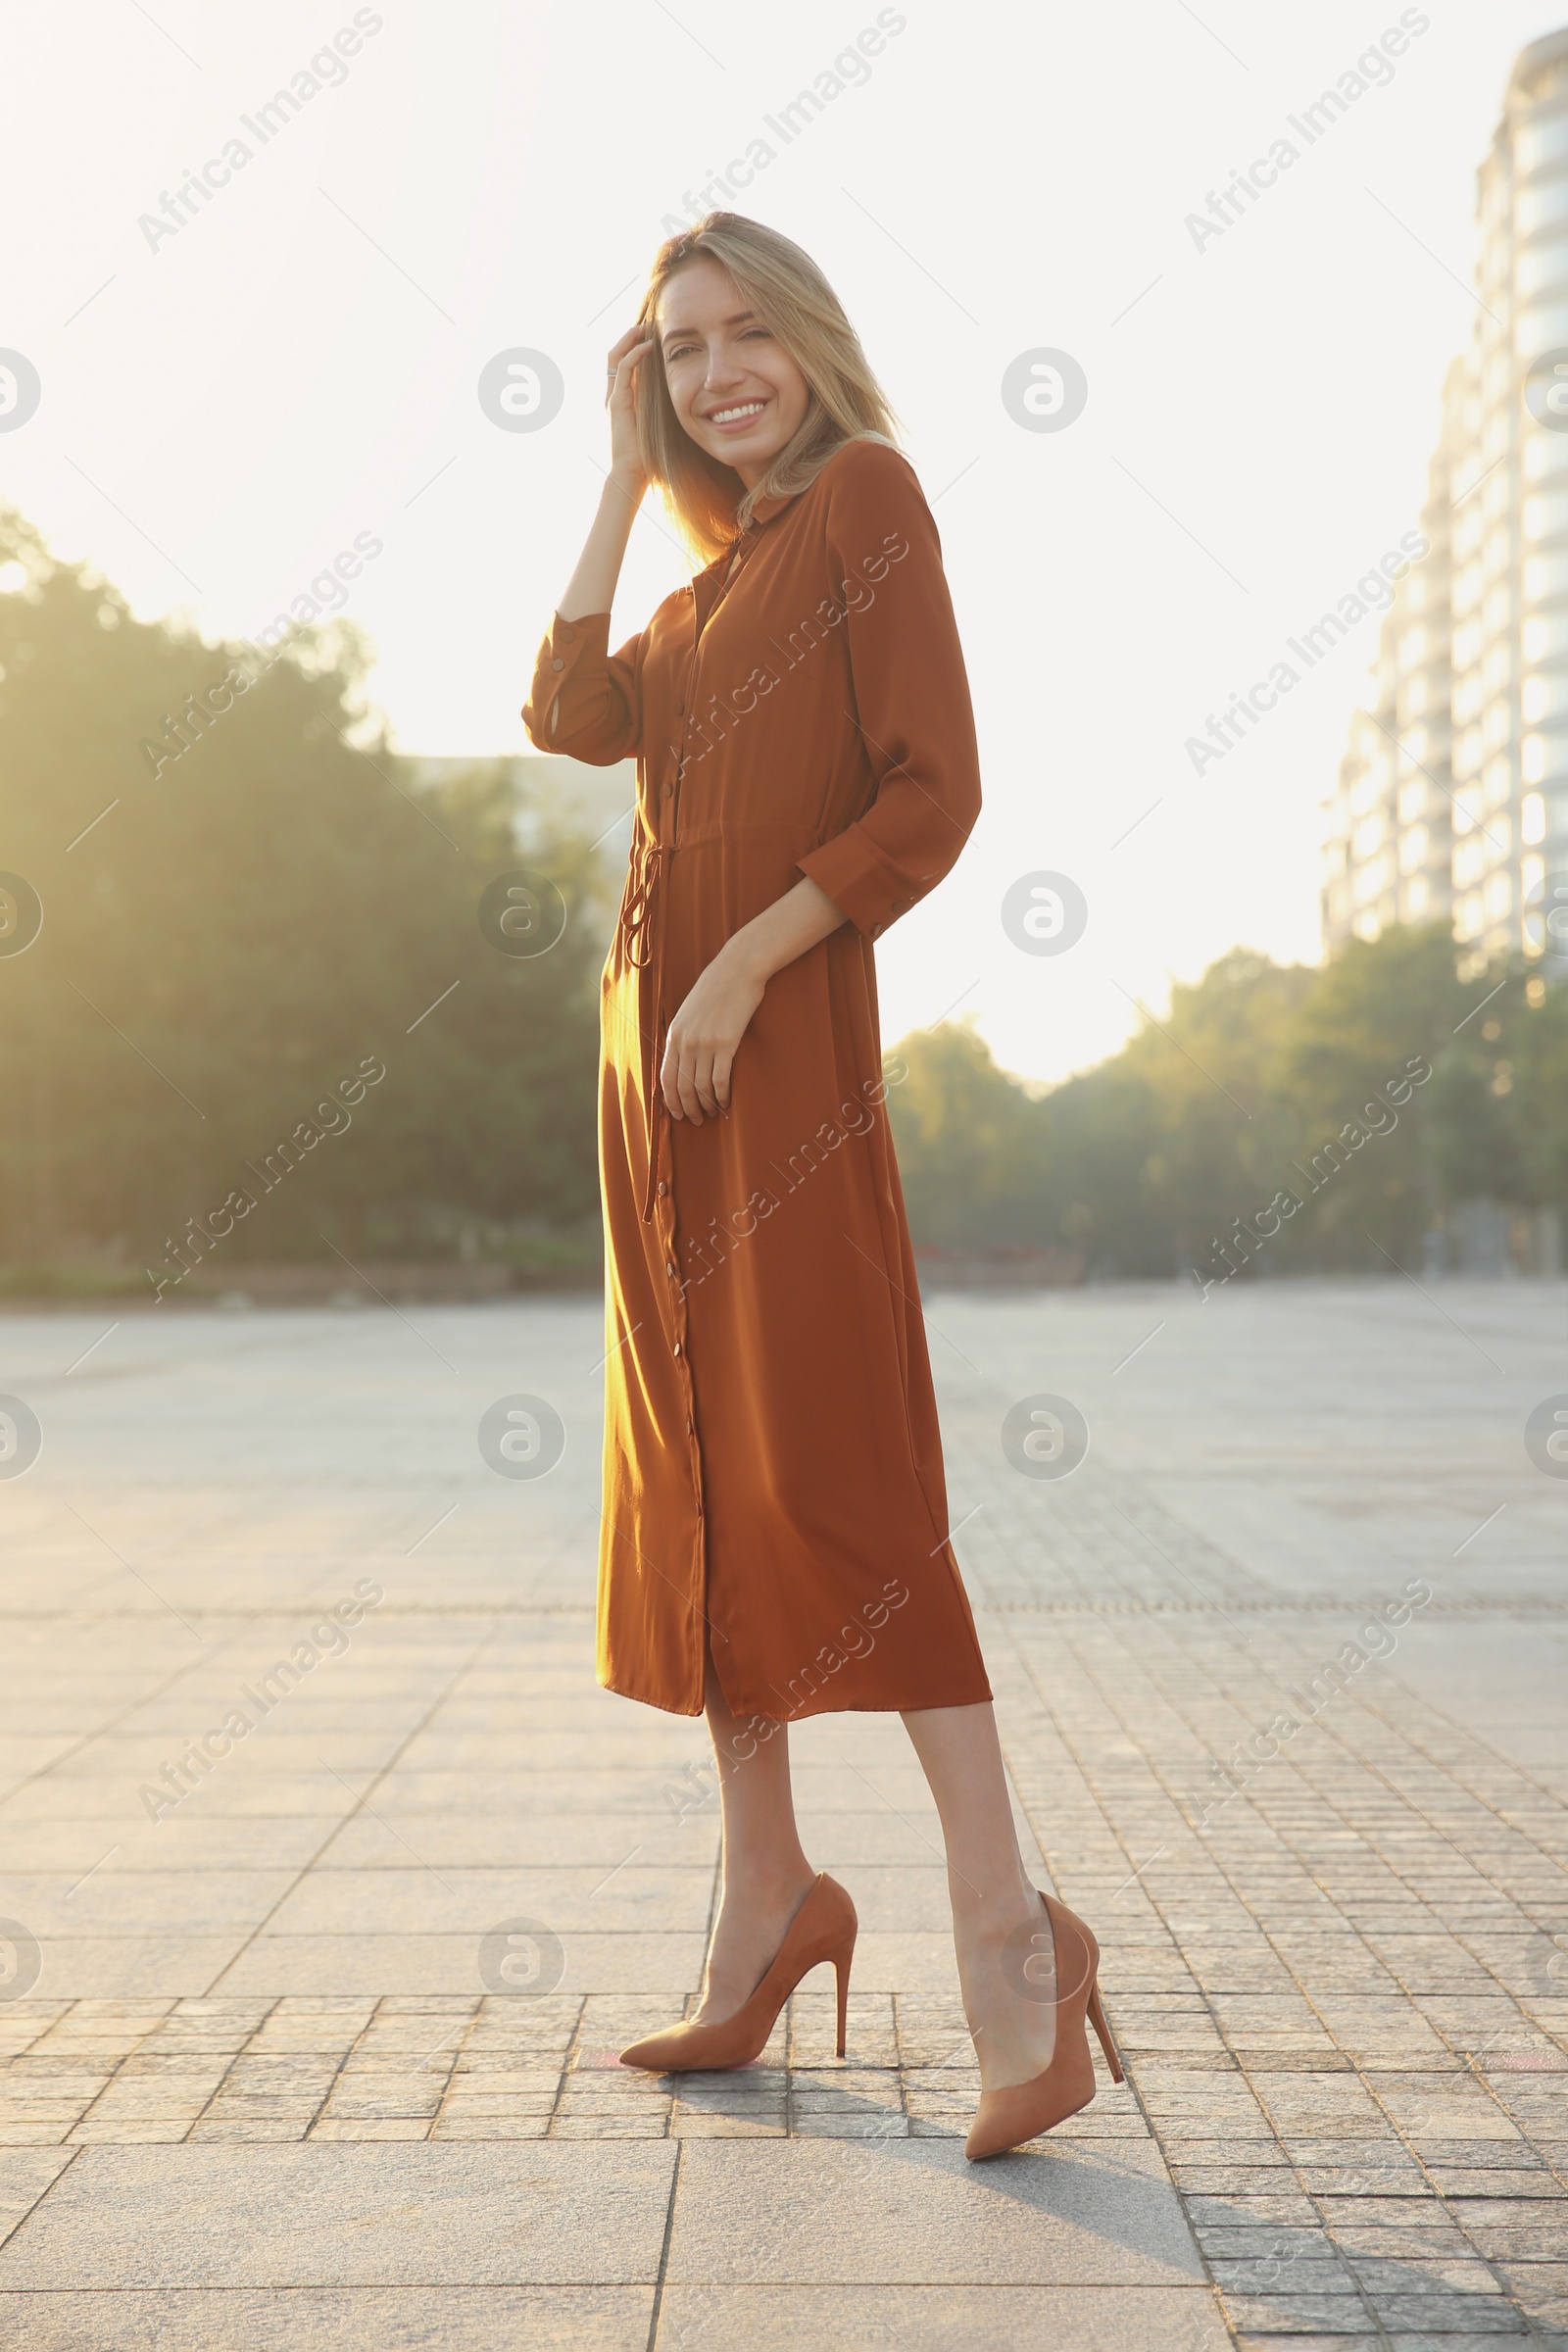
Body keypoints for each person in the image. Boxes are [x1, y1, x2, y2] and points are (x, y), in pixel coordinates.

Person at [522, 212, 1118, 2158]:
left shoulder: (868, 497)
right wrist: (619, 487)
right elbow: (563, 715)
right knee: (697, 1485)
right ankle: (763, 1896)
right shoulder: (695, 600)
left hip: (768, 1069)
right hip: (650, 1097)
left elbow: (928, 795)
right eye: (678, 352)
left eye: (743, 333)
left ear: (810, 341)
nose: (717, 373)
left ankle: (1011, 1942)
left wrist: (740, 960)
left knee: (840, 1483)